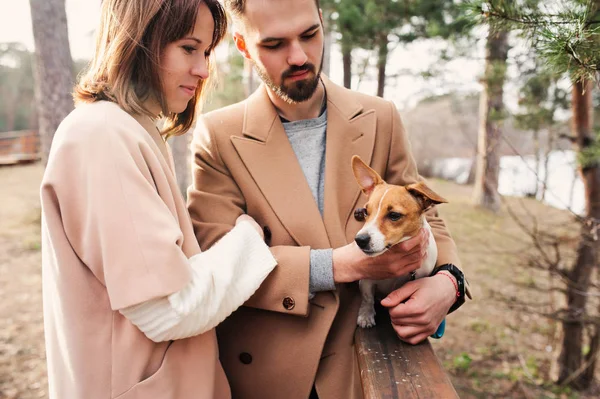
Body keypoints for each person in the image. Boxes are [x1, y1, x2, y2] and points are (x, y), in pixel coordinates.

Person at [188, 0, 471, 398]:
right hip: (264, 374)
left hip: (364, 363)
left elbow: (426, 216)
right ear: (243, 45)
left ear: (322, 21)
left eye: (309, 34)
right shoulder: (218, 135)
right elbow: (213, 258)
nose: (300, 56)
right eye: (274, 44)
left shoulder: (381, 116)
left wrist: (449, 282)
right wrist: (337, 265)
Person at [40, 1, 278, 398]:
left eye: (206, 53)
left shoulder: (130, 129)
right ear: (140, 39)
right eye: (189, 48)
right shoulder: (101, 135)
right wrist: (247, 239)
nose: (203, 70)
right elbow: (168, 307)